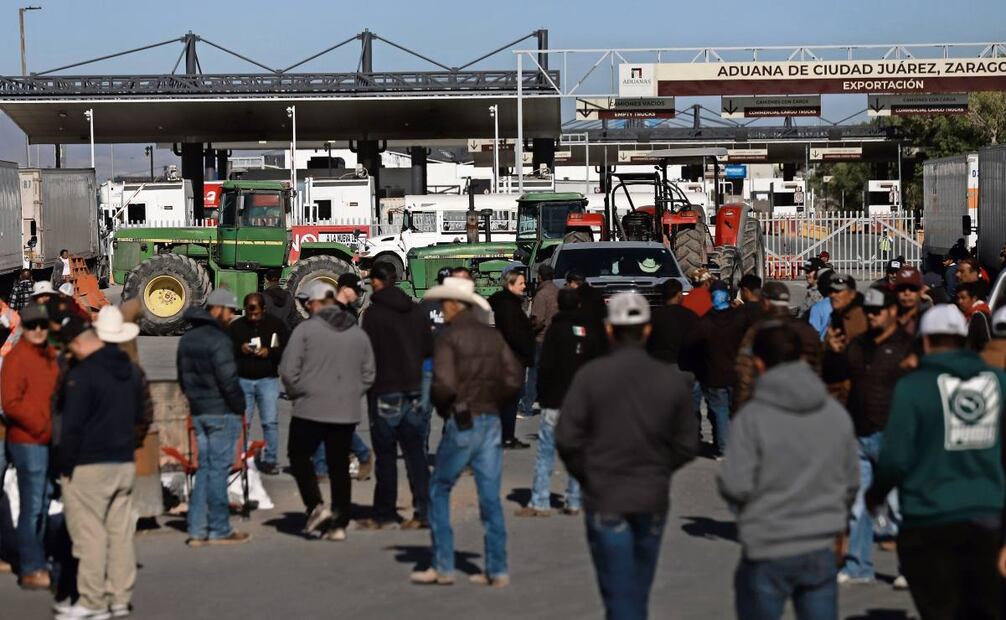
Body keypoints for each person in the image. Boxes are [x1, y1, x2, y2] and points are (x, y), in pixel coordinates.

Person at [556, 292, 699, 619]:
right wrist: (659, 468)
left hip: (607, 498)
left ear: (610, 330)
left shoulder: (591, 377)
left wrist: (590, 475)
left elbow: (567, 438)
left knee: (620, 595)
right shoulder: (670, 380)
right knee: (637, 591)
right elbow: (687, 443)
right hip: (651, 498)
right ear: (647, 330)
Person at [866, 305, 1006, 619]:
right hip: (987, 517)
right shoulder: (998, 382)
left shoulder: (914, 387)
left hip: (928, 517)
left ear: (925, 342)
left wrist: (876, 494)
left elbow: (895, 457)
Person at [719, 323, 859, 620]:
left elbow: (735, 484)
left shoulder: (752, 417)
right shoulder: (833, 412)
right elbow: (850, 481)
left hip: (767, 545)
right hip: (819, 544)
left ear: (759, 363)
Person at [410, 277, 522, 587]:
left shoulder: (448, 338)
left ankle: (443, 565)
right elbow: (514, 379)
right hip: (490, 418)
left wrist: (444, 404)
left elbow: (444, 384)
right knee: (490, 497)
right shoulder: (492, 337)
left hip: (462, 420)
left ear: (452, 305)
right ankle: (496, 568)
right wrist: (494, 399)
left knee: (439, 488)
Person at [55, 315, 145, 620]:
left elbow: (72, 426)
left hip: (89, 463)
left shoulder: (84, 374)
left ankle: (92, 601)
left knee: (90, 535)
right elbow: (139, 414)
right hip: (123, 459)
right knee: (119, 533)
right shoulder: (131, 371)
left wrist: (64, 464)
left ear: (80, 342)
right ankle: (119, 597)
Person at [823, 287, 914, 585]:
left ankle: (907, 569)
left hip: (892, 435)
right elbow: (837, 376)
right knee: (858, 505)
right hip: (859, 432)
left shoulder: (906, 347)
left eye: (878, 311)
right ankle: (857, 565)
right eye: (870, 311)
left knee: (898, 505)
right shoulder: (859, 344)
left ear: (892, 312)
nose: (873, 316)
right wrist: (832, 354)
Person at [280, 282, 375, 542]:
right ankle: (339, 523)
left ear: (315, 302)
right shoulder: (356, 332)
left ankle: (316, 506)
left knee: (298, 456)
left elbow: (288, 371)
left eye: (307, 303)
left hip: (309, 408)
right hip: (345, 410)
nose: (306, 307)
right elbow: (369, 373)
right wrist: (352, 393)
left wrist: (300, 391)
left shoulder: (305, 330)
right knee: (339, 467)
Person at [515, 288, 605, 518]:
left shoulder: (556, 331)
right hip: (582, 401)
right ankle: (574, 500)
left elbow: (545, 366)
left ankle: (540, 501)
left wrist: (542, 395)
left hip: (555, 400)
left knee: (546, 452)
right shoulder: (591, 331)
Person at [359, 264, 433, 530]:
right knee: (416, 455)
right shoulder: (416, 311)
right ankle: (424, 511)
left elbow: (367, 355)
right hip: (413, 390)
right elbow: (428, 349)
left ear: (378, 282)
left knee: (386, 455)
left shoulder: (374, 315)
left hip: (385, 391)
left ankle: (384, 512)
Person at [176, 288, 250, 547]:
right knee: (218, 471)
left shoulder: (187, 339)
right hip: (221, 412)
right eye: (229, 311)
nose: (231, 316)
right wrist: (240, 406)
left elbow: (183, 379)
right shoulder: (219, 340)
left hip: (199, 412)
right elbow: (228, 380)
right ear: (217, 309)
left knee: (205, 470)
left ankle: (197, 530)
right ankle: (219, 528)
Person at [1, 303, 59, 590]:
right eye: (32, 325)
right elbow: (10, 403)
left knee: (45, 499)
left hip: (46, 439)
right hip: (28, 441)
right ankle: (31, 567)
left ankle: (38, 557)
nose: (38, 330)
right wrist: (40, 424)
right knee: (33, 504)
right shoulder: (17, 359)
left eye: (42, 325)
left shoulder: (49, 355)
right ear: (25, 327)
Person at [734, 282, 821, 410]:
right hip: (802, 401)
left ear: (766, 302)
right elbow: (818, 367)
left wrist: (740, 405)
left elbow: (744, 371)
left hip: (767, 402)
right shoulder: (807, 331)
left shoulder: (757, 332)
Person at [229, 292, 288, 476]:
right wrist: (241, 348)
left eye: (257, 313)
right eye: (249, 313)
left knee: (270, 422)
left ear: (264, 309)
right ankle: (238, 459)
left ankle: (270, 460)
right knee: (242, 423)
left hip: (267, 380)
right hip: (243, 380)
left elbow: (285, 349)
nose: (253, 317)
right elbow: (227, 350)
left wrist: (269, 352)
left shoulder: (276, 326)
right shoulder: (237, 327)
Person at [695, 286, 749, 458]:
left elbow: (692, 344)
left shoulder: (705, 322)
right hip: (736, 373)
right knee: (737, 409)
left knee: (720, 411)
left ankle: (724, 447)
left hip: (714, 373)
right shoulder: (739, 320)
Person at [488, 268, 534, 449]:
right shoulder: (508, 306)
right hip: (511, 359)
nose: (524, 286)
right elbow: (513, 334)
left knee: (511, 399)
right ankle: (506, 436)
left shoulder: (510, 304)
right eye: (521, 283)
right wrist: (525, 347)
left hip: (513, 358)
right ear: (510, 285)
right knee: (510, 399)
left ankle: (507, 435)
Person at [523, 263, 559, 419]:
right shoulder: (558, 291)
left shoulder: (541, 294)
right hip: (555, 338)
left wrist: (529, 332)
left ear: (540, 277)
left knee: (533, 373)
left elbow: (538, 320)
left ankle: (527, 405)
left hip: (541, 338)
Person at [647, 278, 699, 366]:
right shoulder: (691, 316)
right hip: (684, 365)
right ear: (679, 295)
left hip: (658, 364)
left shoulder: (654, 316)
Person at [956, 281, 992, 351]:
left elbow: (986, 342)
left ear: (974, 298)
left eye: (963, 298)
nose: (959, 301)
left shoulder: (979, 315)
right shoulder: (967, 315)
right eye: (958, 298)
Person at [893, 266, 928, 337]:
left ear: (921, 291)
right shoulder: (887, 318)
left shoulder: (930, 318)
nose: (907, 293)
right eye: (902, 288)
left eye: (913, 288)